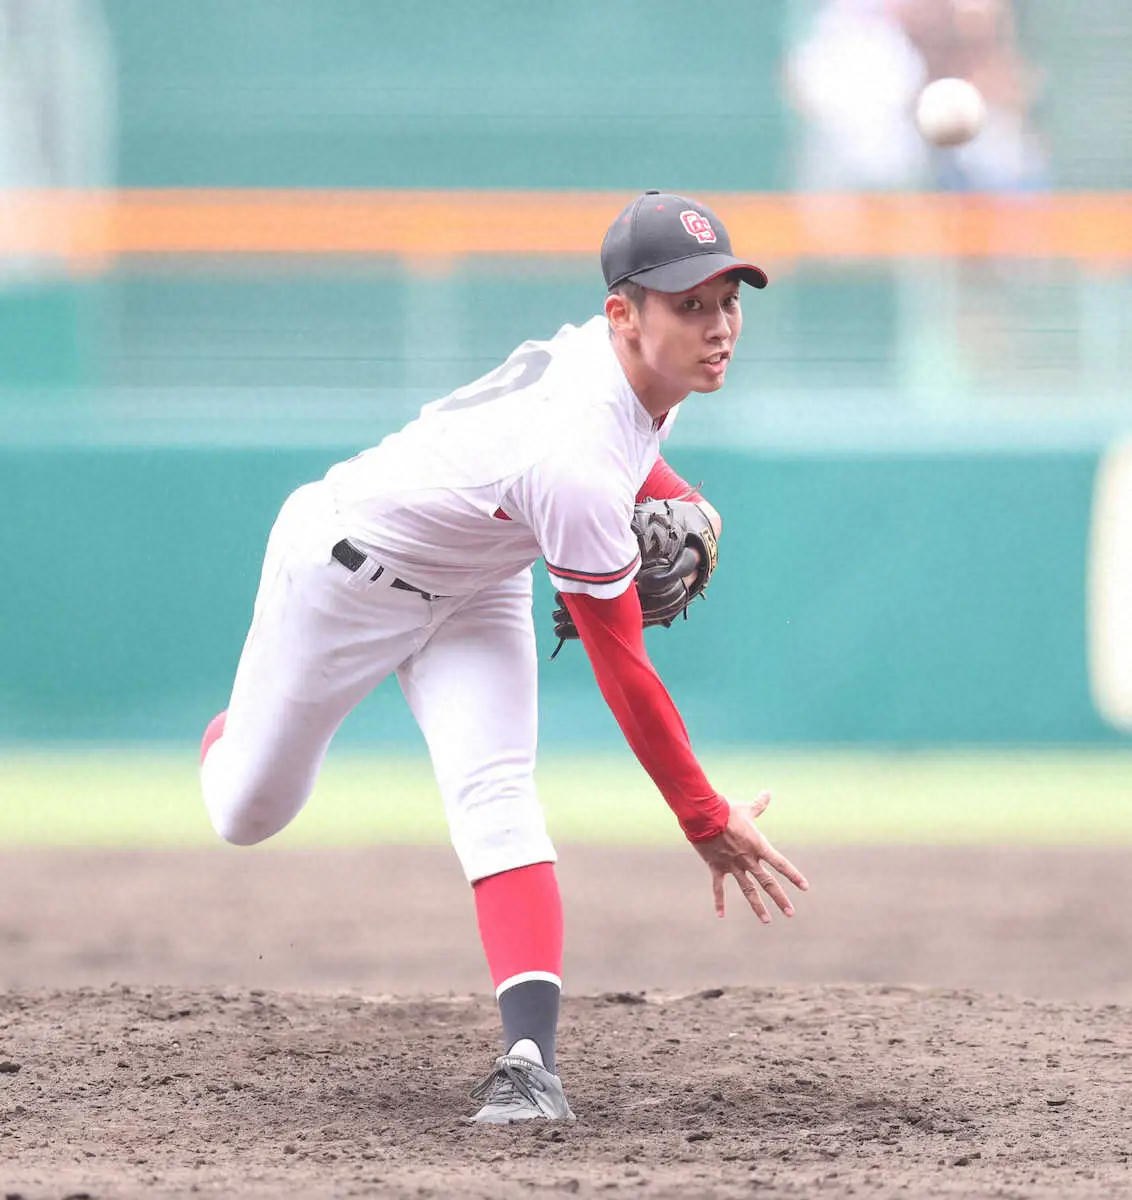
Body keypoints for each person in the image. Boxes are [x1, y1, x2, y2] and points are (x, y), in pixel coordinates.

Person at [199, 191, 810, 1124]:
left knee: (497, 794)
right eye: (690, 305)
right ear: (623, 314)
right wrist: (703, 816)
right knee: (248, 811)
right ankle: (235, 731)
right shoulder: (570, 455)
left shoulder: (647, 374)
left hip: (477, 581)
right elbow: (622, 667)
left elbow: (631, 456)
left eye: (728, 300)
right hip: (340, 575)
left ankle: (530, 1063)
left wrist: (693, 502)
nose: (718, 326)